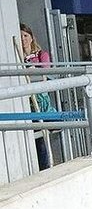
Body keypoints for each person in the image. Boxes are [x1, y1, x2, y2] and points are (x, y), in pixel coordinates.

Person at [20, 24, 56, 169]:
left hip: (40, 102)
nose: (23, 39)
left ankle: (44, 167)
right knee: (34, 137)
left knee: (40, 137)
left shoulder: (42, 55)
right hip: (25, 102)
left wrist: (32, 70)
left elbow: (45, 74)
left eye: (25, 36)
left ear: (31, 37)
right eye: (20, 36)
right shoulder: (17, 57)